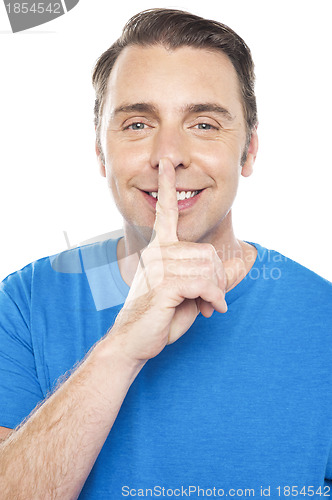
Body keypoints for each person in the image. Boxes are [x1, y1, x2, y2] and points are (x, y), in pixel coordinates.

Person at [0, 8, 331, 499]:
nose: (168, 154)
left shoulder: (322, 318)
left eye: (203, 124)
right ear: (100, 151)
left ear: (250, 151)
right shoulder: (24, 305)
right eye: (137, 124)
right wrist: (122, 346)